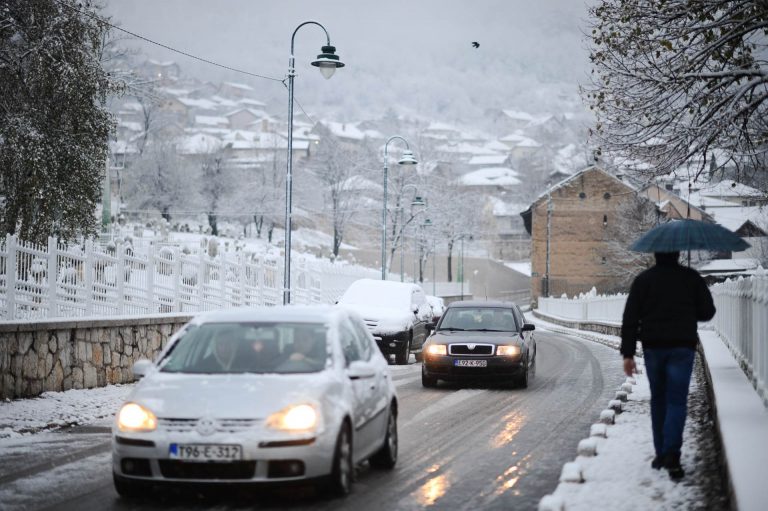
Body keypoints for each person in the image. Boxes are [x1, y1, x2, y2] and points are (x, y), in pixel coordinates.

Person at [620, 251, 715, 480]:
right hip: (682, 347)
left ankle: (661, 453)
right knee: (676, 401)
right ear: (678, 254)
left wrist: (628, 354)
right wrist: (687, 310)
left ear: (655, 254)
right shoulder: (691, 278)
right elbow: (707, 312)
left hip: (653, 348)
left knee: (659, 399)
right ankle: (672, 453)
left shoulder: (644, 280)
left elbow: (630, 318)